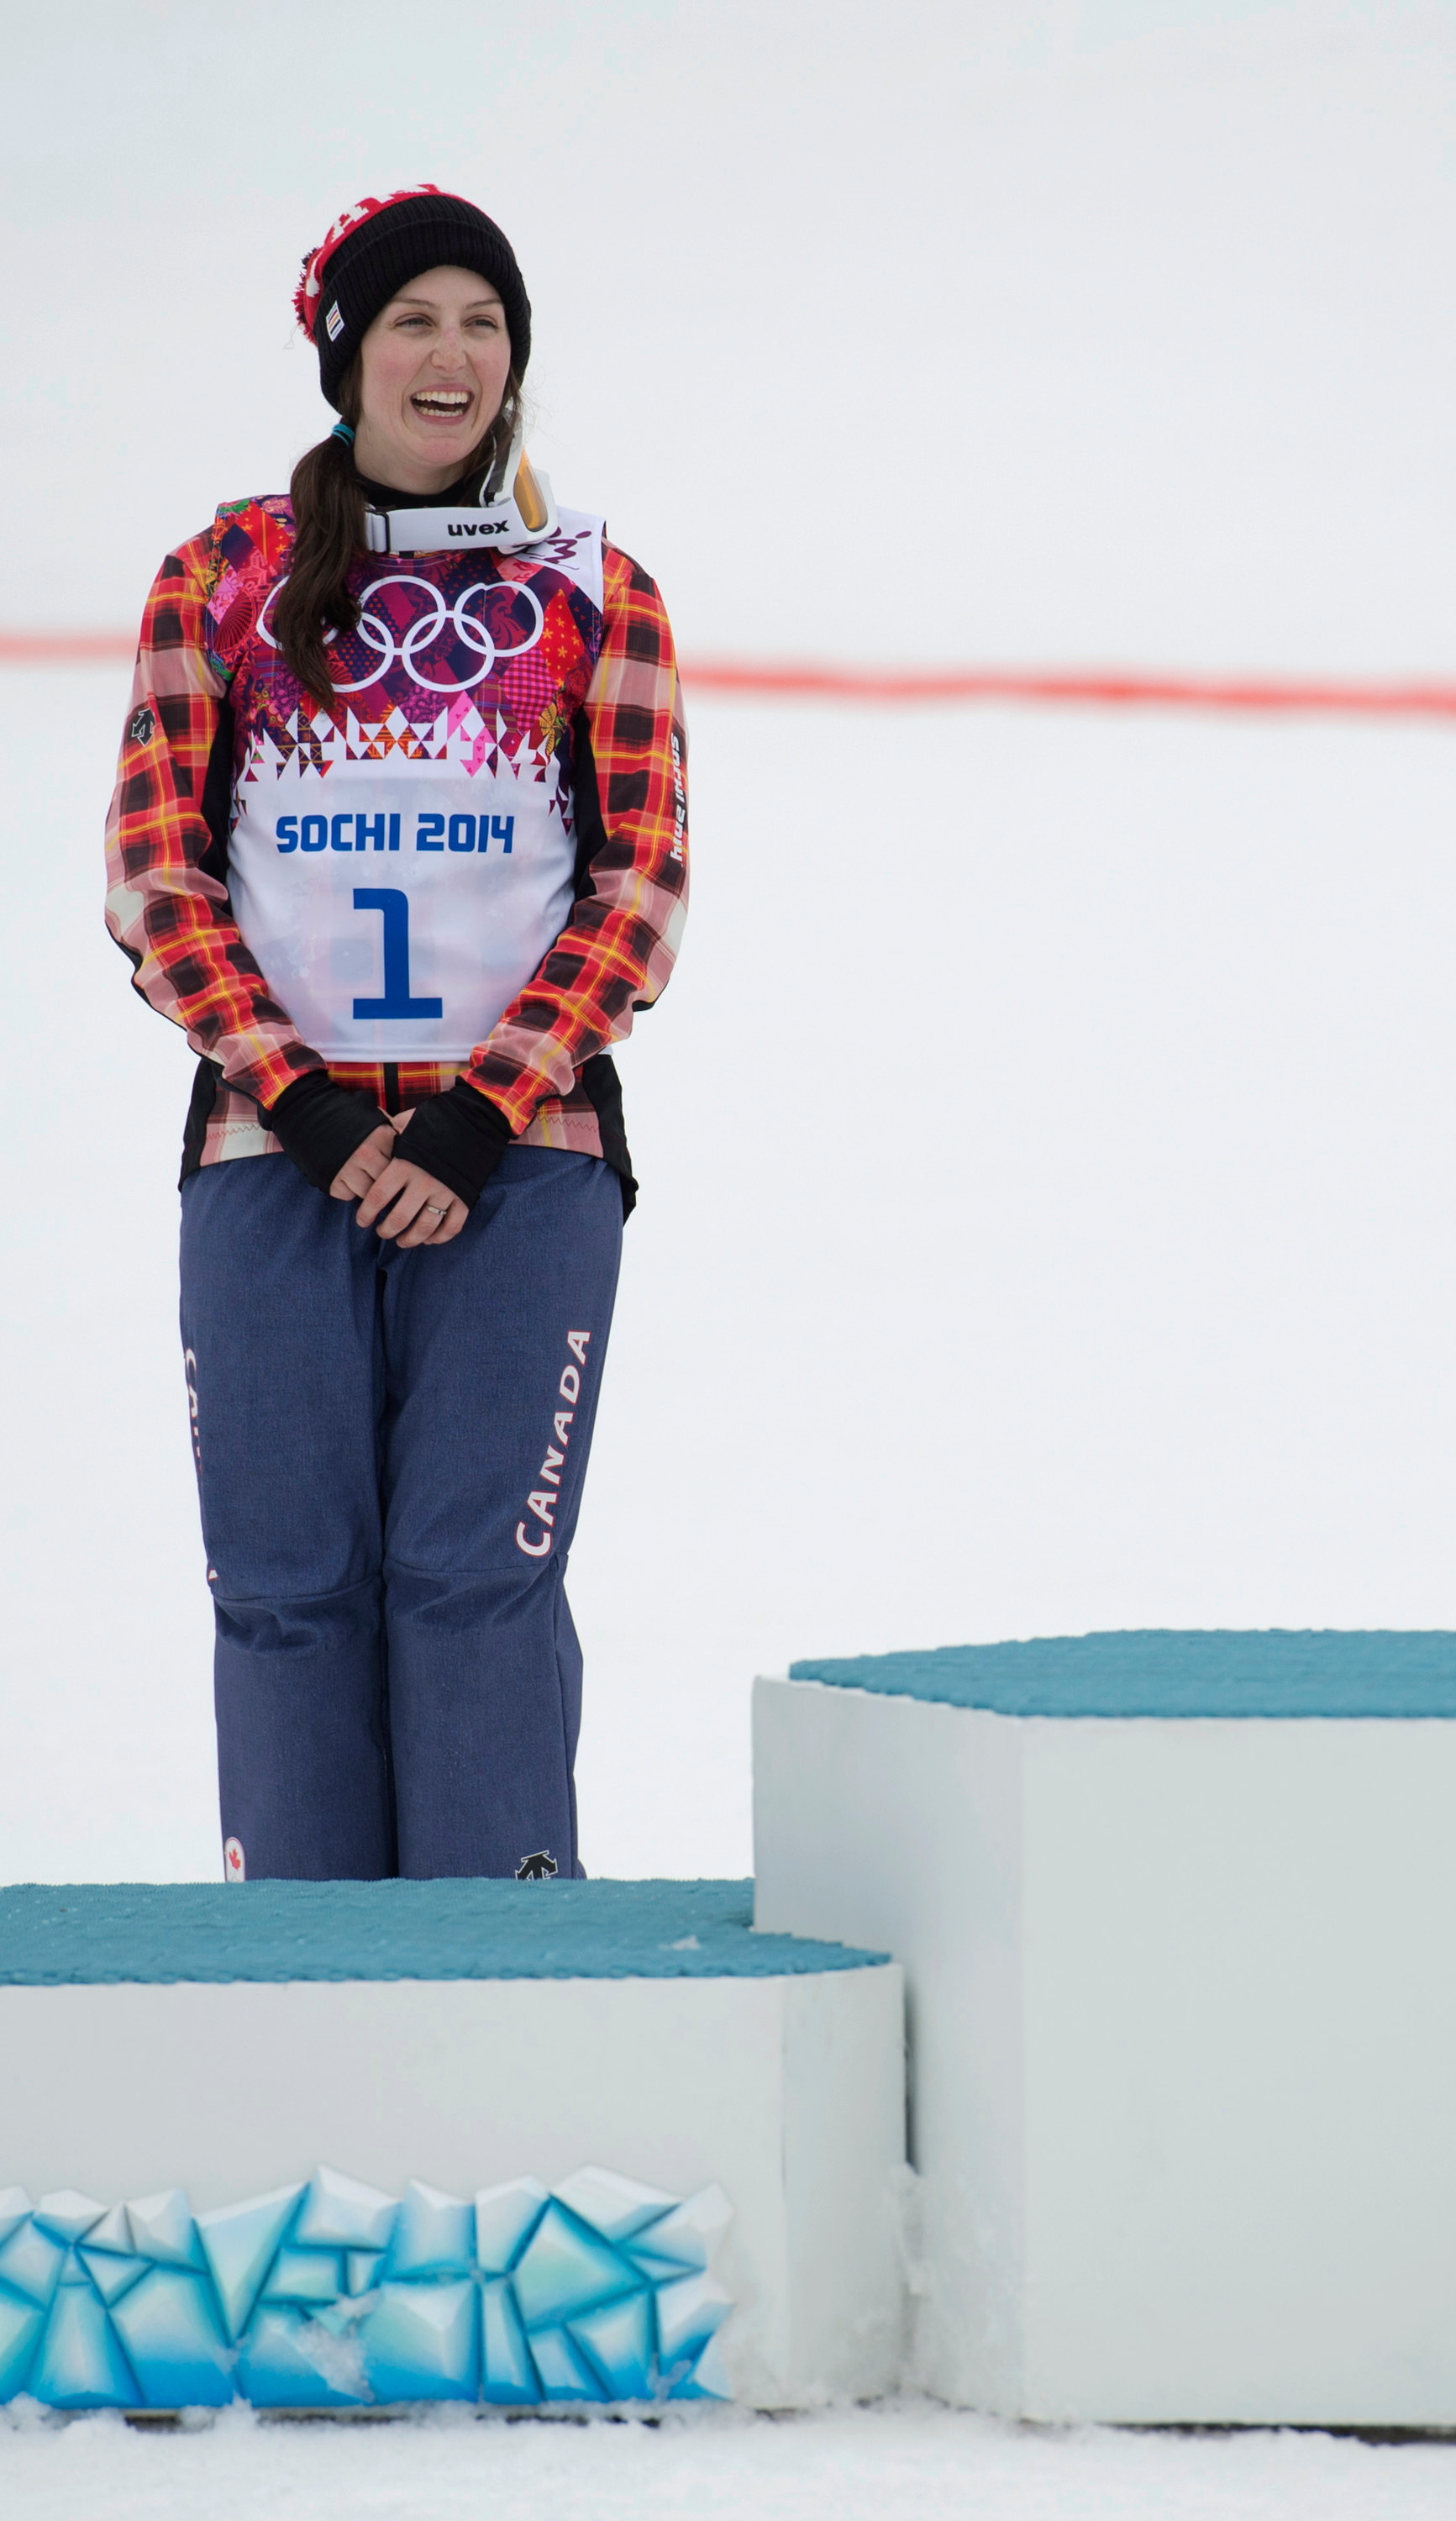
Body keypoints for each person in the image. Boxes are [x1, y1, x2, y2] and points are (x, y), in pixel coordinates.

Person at [105, 187, 690, 1876]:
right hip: (272, 1152)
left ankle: (497, 1984)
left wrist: (480, 1115)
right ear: (348, 353)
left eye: (484, 323)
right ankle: (304, 1983)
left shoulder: (595, 592)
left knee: (471, 1582)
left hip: (523, 1158)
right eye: (415, 319)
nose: (454, 355)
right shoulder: (222, 577)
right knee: (286, 1591)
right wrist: (303, 1107)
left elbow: (639, 888)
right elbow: (159, 878)